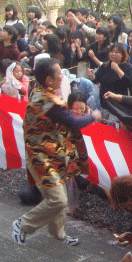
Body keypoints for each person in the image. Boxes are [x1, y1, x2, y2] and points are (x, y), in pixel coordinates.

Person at [12, 58, 100, 246]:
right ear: (49, 80)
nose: (63, 76)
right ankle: (23, 224)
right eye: (59, 73)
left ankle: (58, 234)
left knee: (60, 196)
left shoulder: (43, 91)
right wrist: (93, 116)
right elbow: (73, 122)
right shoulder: (46, 99)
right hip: (41, 156)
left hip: (54, 153)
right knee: (58, 200)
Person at [92, 44, 132, 115]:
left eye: (116, 52)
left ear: (122, 54)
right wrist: (92, 76)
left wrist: (118, 70)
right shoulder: (105, 66)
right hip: (105, 104)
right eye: (111, 52)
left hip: (120, 106)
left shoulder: (127, 67)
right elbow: (96, 80)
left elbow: (131, 82)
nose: (113, 54)